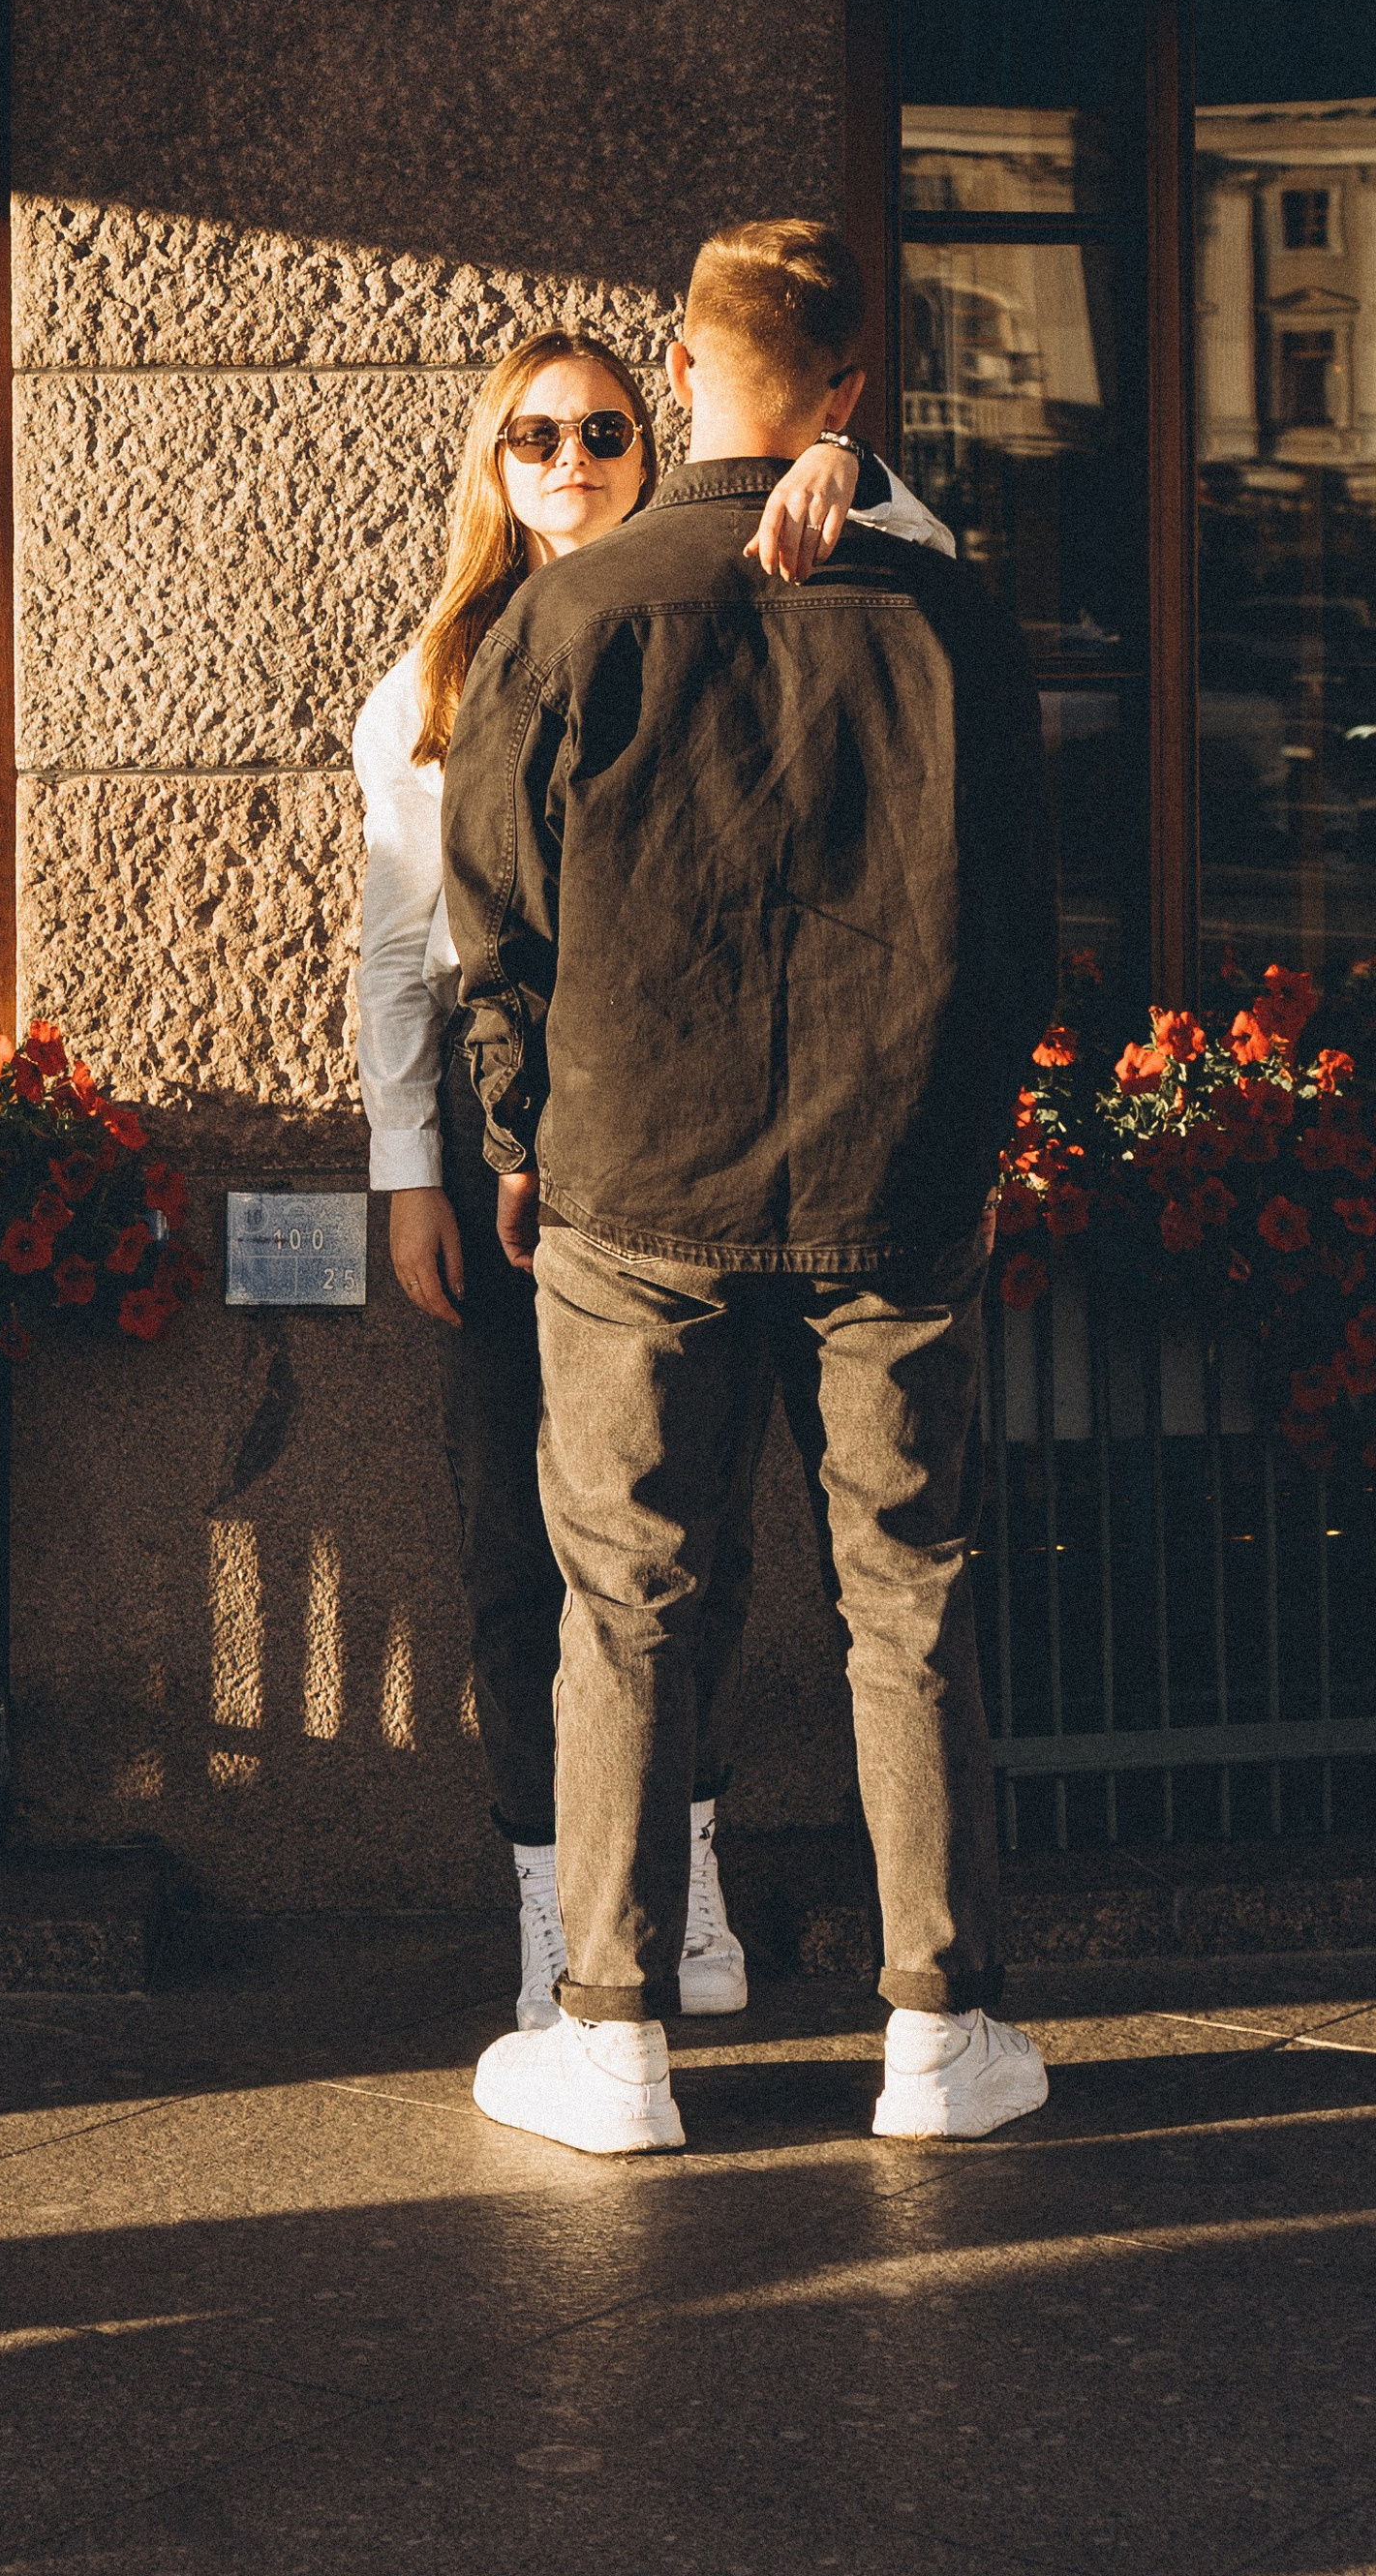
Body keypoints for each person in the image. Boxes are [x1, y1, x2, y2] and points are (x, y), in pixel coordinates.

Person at [440, 222, 1057, 2156]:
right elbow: (1023, 936)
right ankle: (934, 2030)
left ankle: (612, 2036)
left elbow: (492, 923)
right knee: (913, 1596)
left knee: (621, 1598)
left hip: (636, 1190)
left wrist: (519, 1138)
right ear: (852, 395)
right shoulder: (944, 618)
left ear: (679, 368)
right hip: (889, 1189)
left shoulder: (582, 608)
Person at [354, 325, 950, 2034]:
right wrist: (416, 1175)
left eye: (603, 427)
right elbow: (403, 954)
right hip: (505, 1167)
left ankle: (673, 1908)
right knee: (512, 1545)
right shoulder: (442, 676)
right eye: (531, 434)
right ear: (494, 461)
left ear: (655, 432)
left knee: (695, 1545)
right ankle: (556, 1914)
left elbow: (935, 588)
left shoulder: (746, 587)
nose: (568, 458)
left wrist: (860, 470)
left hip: (696, 1155)